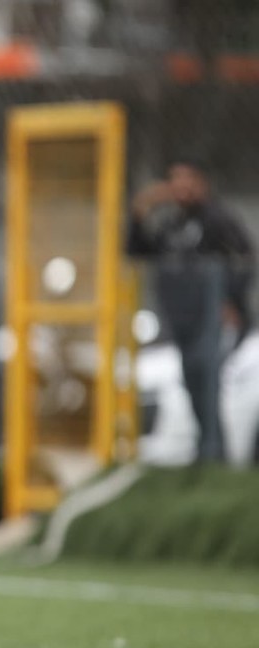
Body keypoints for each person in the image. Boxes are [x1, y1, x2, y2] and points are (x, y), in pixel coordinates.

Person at [127, 157, 256, 461]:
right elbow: (138, 250)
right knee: (193, 380)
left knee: (209, 381)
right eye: (175, 178)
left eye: (188, 178)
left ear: (202, 183)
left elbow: (245, 258)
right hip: (184, 318)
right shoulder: (173, 222)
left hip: (215, 319)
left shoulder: (218, 219)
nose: (181, 185)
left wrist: (231, 300)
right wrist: (140, 211)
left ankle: (215, 454)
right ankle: (208, 452)